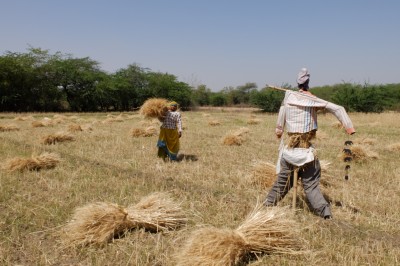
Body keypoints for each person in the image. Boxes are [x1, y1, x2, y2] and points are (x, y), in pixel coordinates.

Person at [264, 68, 356, 219]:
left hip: (290, 151)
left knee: (282, 184)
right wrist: (349, 127)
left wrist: (279, 132)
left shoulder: (288, 98)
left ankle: (266, 206)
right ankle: (326, 214)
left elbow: (280, 121)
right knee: (311, 187)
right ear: (308, 83)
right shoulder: (313, 100)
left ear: (297, 83)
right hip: (306, 153)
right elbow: (338, 108)